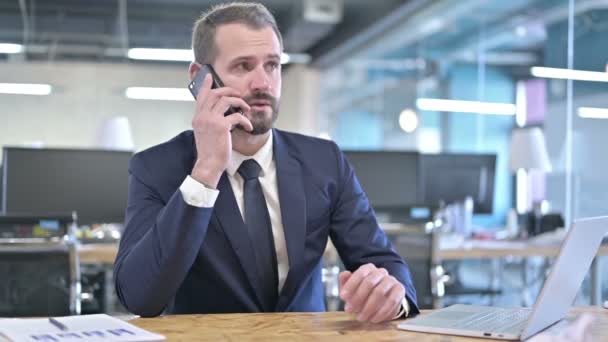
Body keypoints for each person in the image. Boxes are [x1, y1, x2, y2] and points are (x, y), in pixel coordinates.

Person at [114, 2, 419, 323]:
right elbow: (139, 297)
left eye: (272, 65)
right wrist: (205, 172)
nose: (263, 83)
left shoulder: (324, 161)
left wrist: (391, 294)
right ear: (200, 77)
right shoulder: (156, 167)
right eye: (244, 66)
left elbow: (382, 261)